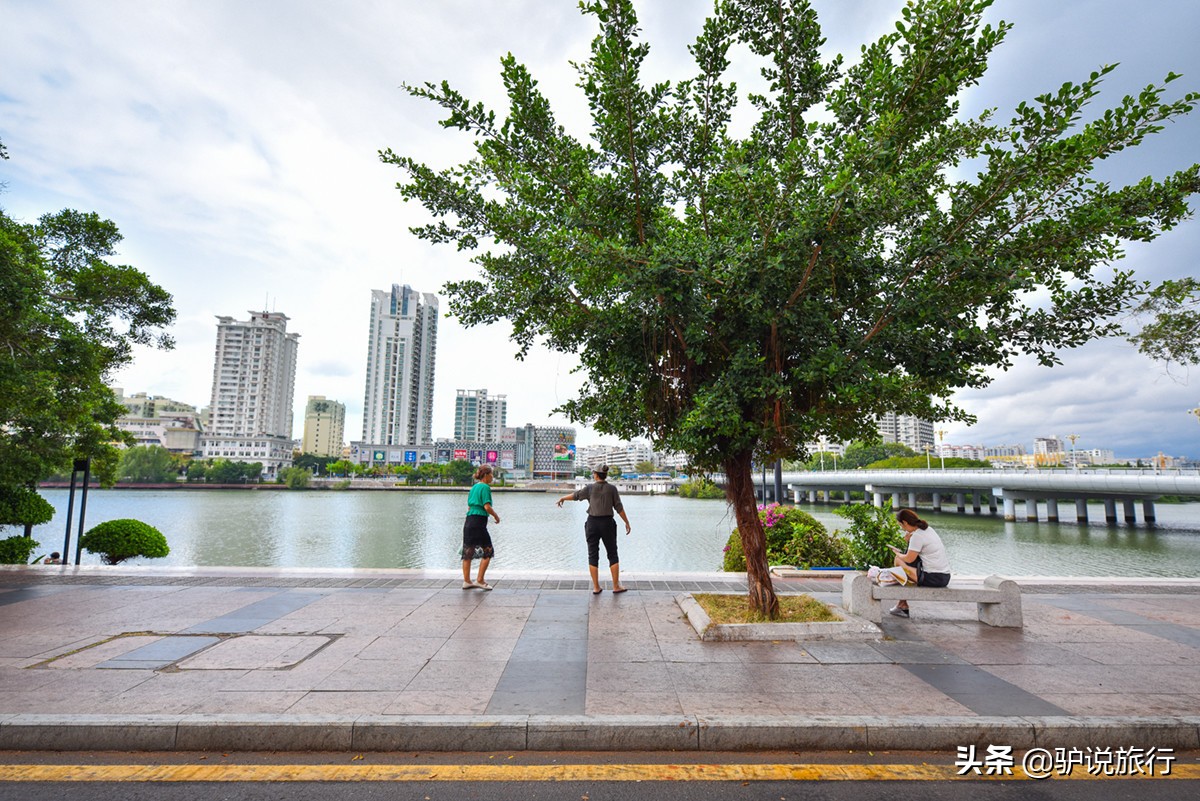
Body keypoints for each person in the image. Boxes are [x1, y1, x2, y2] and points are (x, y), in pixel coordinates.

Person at [556, 465, 632, 594]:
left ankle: (596, 587)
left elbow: (576, 495)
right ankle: (615, 586)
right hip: (608, 523)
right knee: (612, 553)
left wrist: (563, 498)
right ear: (605, 475)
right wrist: (626, 522)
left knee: (592, 554)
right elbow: (618, 507)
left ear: (596, 475)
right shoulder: (612, 489)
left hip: (592, 523)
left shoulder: (590, 488)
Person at [889, 508, 951, 618]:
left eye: (900, 525)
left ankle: (902, 604)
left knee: (898, 561)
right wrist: (909, 542)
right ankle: (902, 604)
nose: (901, 528)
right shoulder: (928, 530)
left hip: (933, 578)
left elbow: (908, 559)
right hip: (944, 576)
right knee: (905, 567)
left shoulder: (917, 536)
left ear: (905, 523)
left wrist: (897, 554)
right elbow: (914, 558)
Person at [462, 464, 500, 590]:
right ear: (486, 475)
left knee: (468, 551)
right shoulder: (485, 487)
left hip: (469, 521)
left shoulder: (473, 488)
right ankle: (480, 580)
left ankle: (467, 581)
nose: (492, 477)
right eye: (491, 474)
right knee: (488, 550)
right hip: (478, 522)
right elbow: (487, 507)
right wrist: (496, 516)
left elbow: (469, 506)